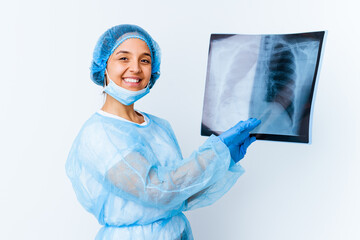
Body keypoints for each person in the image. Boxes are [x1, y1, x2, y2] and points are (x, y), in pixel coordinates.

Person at [65, 24, 261, 240]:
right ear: (103, 66)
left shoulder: (159, 127)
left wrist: (224, 161)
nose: (136, 68)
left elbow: (180, 194)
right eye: (123, 58)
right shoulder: (98, 134)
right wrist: (214, 152)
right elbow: (156, 191)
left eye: (145, 60)